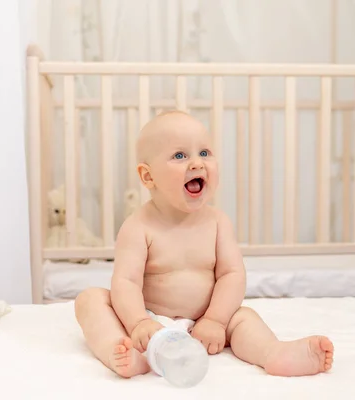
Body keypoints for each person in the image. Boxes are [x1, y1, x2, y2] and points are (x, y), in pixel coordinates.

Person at [74, 110, 334, 378]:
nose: (197, 163)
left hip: (206, 321)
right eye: (180, 155)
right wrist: (138, 322)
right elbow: (126, 282)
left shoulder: (218, 223)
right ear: (148, 177)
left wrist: (216, 320)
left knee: (243, 318)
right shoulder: (138, 226)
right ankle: (119, 351)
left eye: (205, 153)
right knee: (90, 300)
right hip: (151, 323)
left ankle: (273, 353)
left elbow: (231, 275)